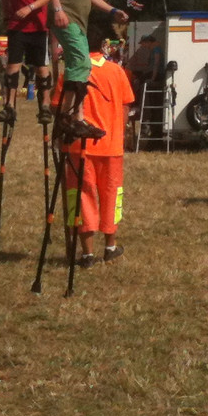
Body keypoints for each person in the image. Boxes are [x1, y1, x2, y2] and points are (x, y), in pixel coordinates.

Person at [48, 0, 128, 141]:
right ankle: (72, 116)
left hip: (80, 20)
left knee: (81, 65)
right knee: (82, 61)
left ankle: (73, 116)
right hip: (66, 17)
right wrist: (58, 10)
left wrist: (113, 10)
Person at [63, 36, 136, 267]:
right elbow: (126, 105)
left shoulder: (72, 71)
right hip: (111, 145)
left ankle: (86, 253)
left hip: (79, 146)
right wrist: (120, 133)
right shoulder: (117, 71)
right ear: (102, 46)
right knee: (112, 195)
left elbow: (61, 108)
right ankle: (110, 246)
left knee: (81, 195)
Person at [0, 0, 53, 126]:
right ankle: (9, 105)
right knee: (12, 66)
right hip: (17, 26)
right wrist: (6, 15)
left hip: (37, 25)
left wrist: (30, 8)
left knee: (41, 67)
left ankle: (45, 105)